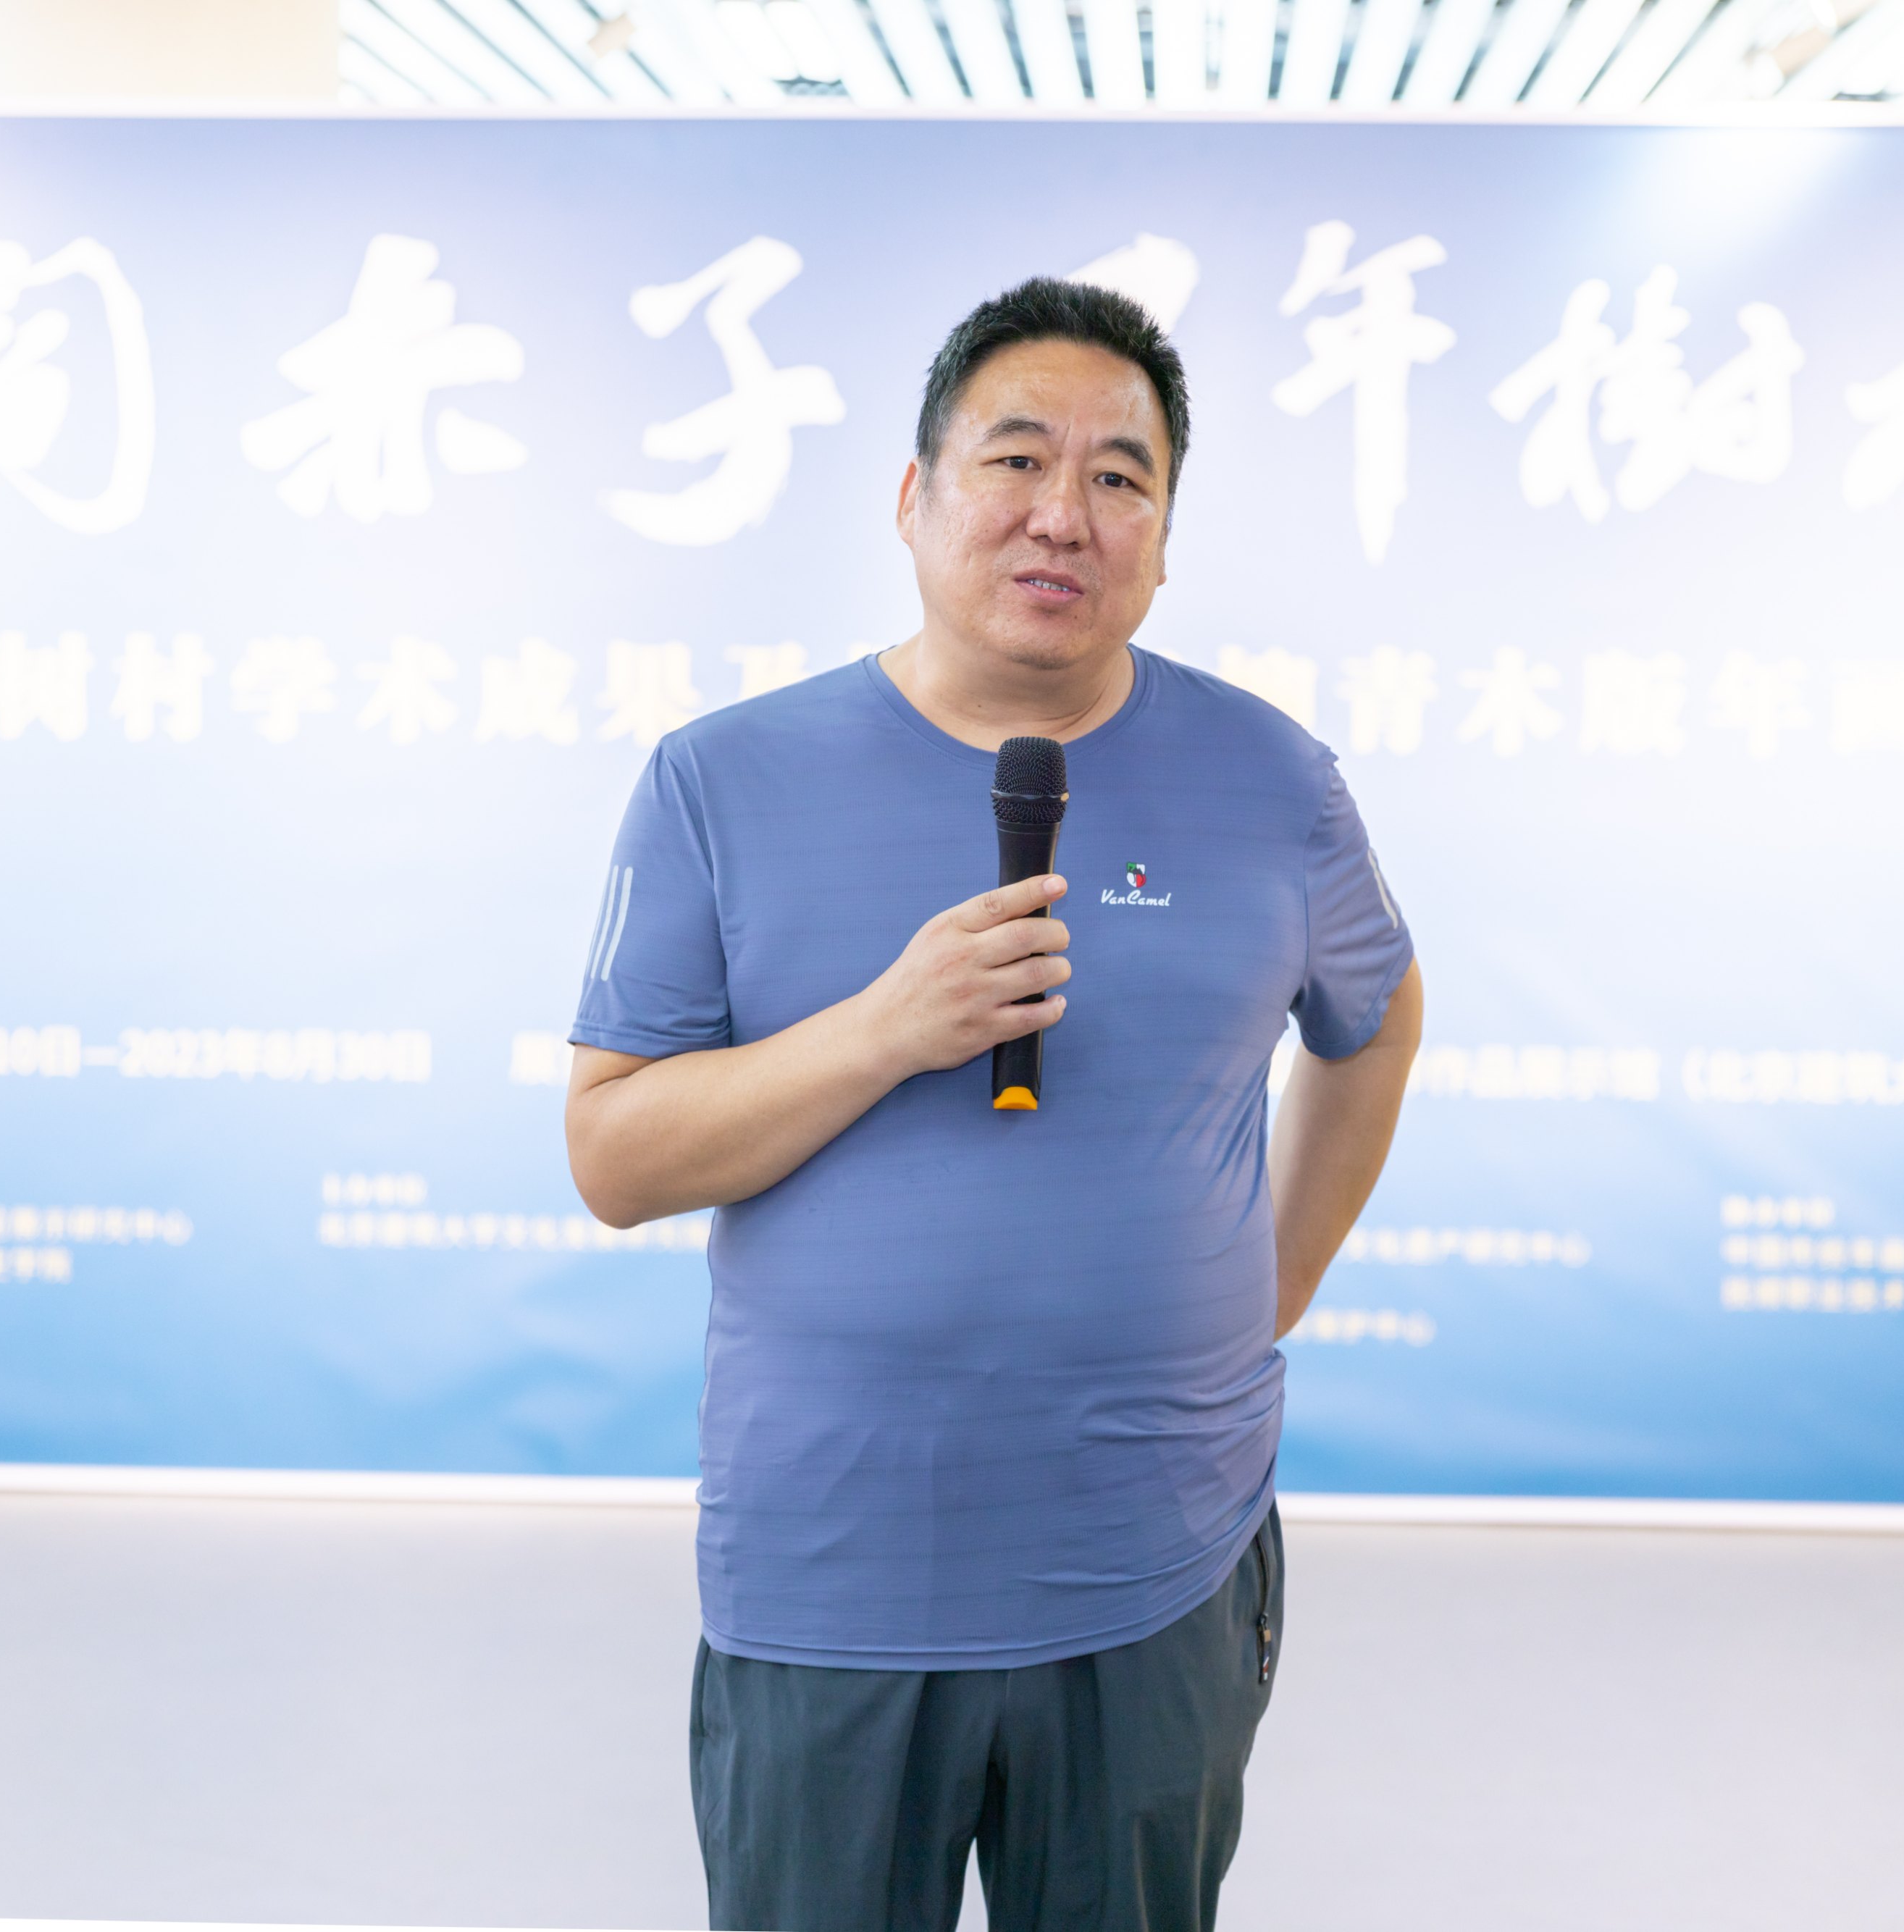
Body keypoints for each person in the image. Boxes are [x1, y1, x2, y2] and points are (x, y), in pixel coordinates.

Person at [563, 277, 1423, 1932]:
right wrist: (884, 1030)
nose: (1062, 513)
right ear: (913, 496)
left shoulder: (1275, 782)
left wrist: (1271, 1284)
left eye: (1120, 476)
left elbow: (1374, 1022)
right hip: (832, 1576)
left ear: (1163, 538)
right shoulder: (720, 777)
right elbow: (613, 1156)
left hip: (1153, 1565)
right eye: (1015, 459)